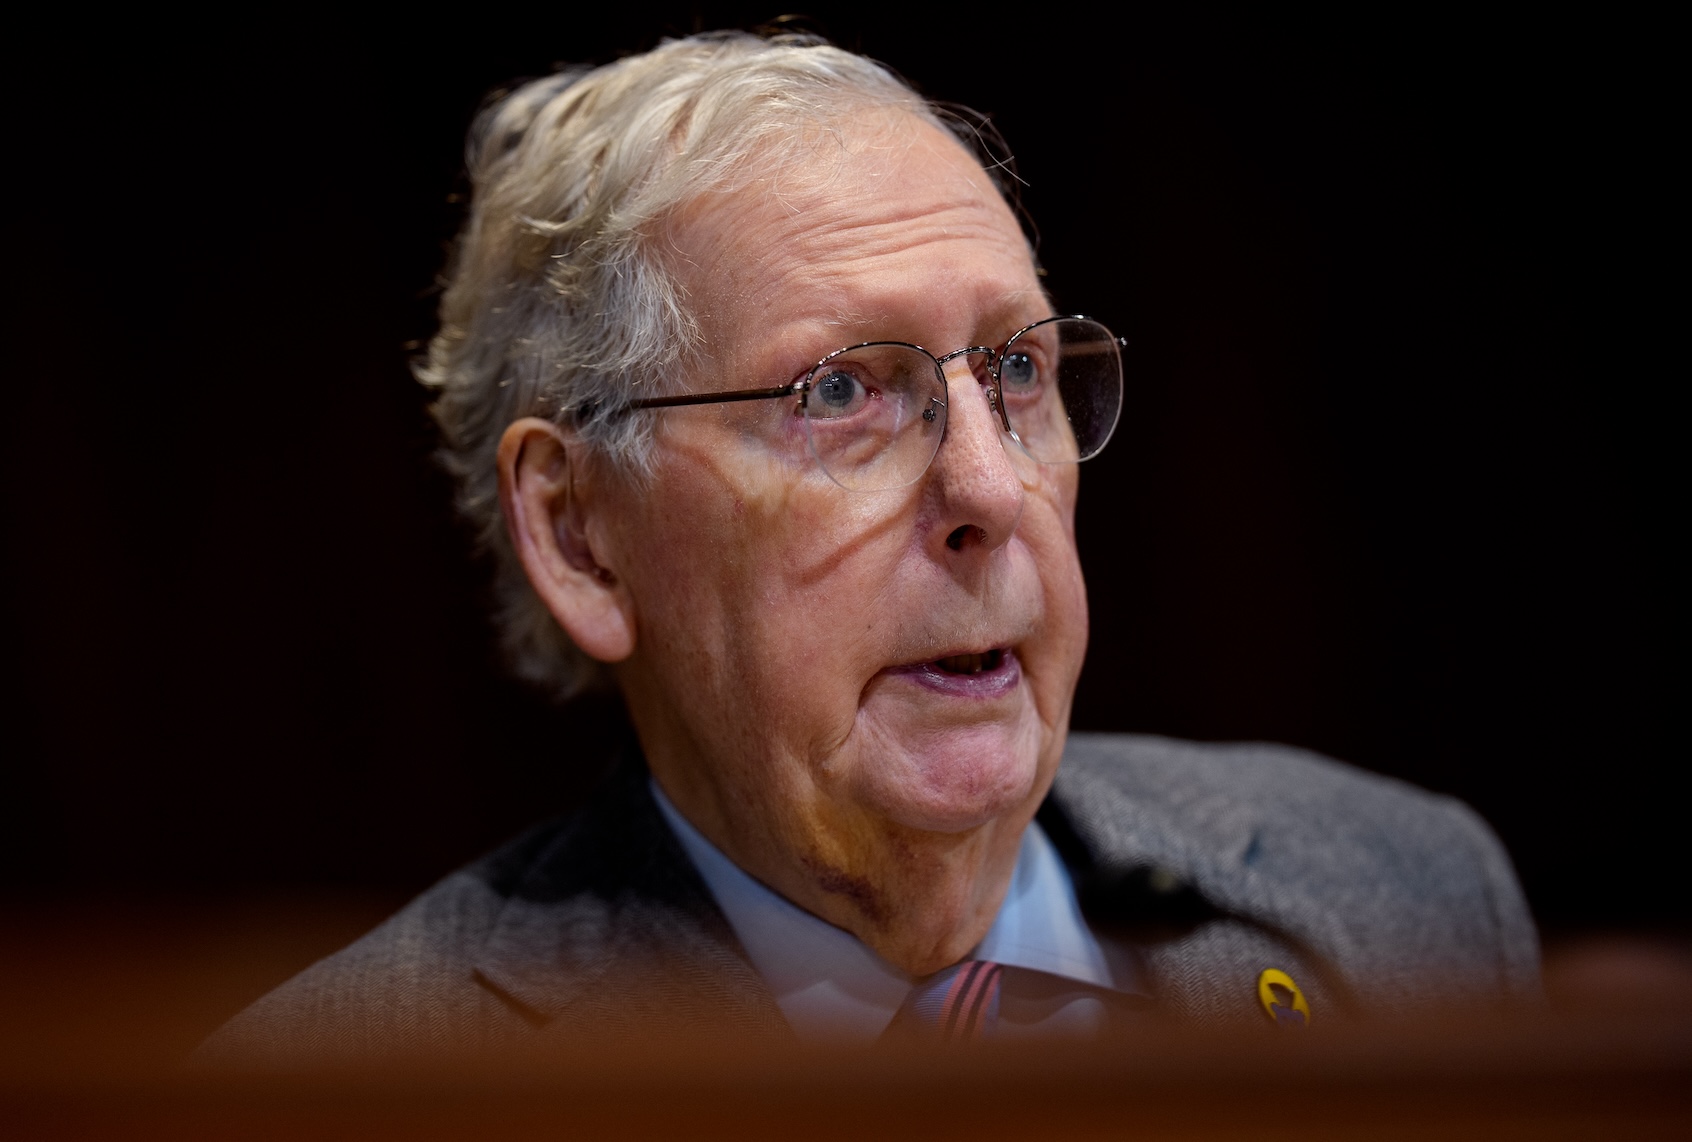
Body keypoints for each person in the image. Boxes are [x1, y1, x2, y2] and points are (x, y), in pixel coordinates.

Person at [205, 31, 1537, 1061]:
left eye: (1016, 369)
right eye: (840, 392)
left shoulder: (1408, 896)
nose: (988, 485)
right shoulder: (349, 1088)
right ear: (580, 535)